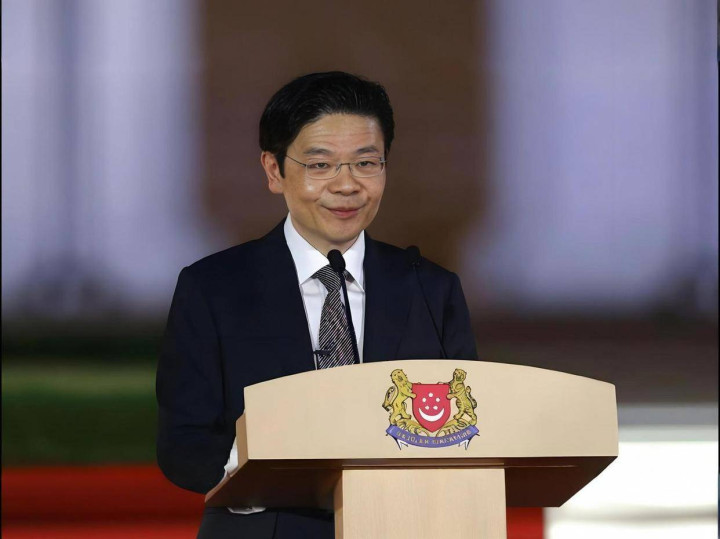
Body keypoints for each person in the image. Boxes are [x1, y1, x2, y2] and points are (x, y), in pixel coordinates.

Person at [156, 71, 478, 539]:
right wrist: (271, 470)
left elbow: (470, 426)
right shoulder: (213, 288)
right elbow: (183, 446)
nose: (346, 186)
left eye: (366, 163)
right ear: (274, 171)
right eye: (321, 165)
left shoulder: (431, 289)